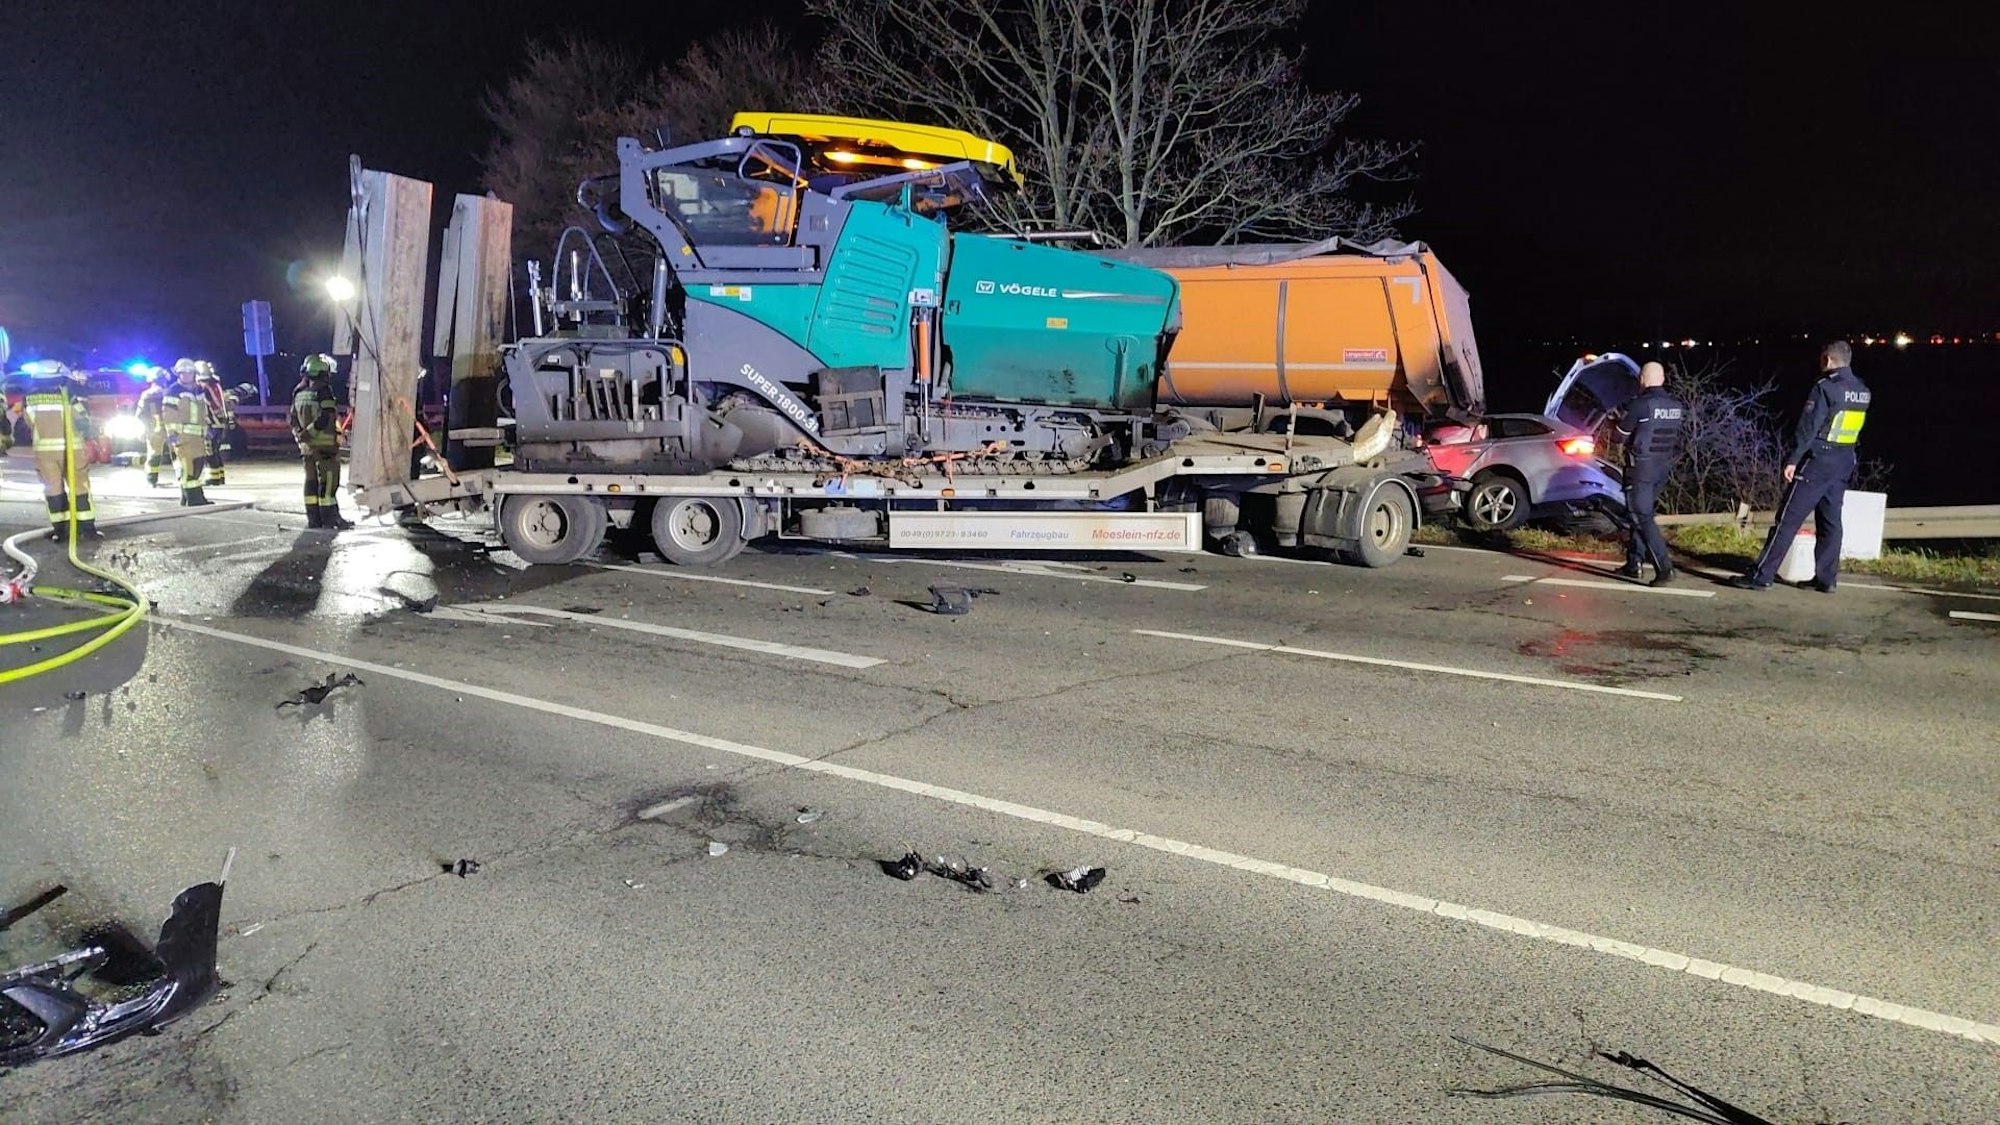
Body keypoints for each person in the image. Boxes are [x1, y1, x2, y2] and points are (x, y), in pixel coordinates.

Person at [1730, 340, 1871, 592]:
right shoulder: (1863, 390)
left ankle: (1762, 575)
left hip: (1818, 461)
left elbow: (1808, 428)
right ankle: (1826, 579)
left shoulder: (1825, 387)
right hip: (1844, 460)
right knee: (1830, 521)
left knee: (1787, 519)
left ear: (1827, 360)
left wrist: (1794, 459)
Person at [1611, 361, 1685, 586]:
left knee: (1641, 518)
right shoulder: (1676, 406)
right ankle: (1633, 564)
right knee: (1641, 515)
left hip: (1641, 470)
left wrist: (1615, 423)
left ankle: (1664, 568)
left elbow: (1619, 437)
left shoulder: (1640, 405)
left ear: (1642, 379)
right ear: (1662, 379)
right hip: (1661, 469)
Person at [19, 362, 100, 538]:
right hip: (72, 449)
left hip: (44, 452)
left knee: (53, 490)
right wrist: (93, 434)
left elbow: (28, 422)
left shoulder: (28, 398)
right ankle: (86, 530)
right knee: (79, 487)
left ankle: (61, 532)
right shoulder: (67, 395)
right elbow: (82, 419)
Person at [291, 353, 352, 530]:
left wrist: (300, 435)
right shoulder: (324, 391)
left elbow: (292, 419)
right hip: (325, 448)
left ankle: (314, 520)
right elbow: (326, 417)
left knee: (311, 483)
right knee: (329, 484)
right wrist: (309, 433)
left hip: (307, 449)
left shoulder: (298, 392)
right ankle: (330, 520)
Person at [162, 358, 213, 507]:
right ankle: (194, 498)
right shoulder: (173, 391)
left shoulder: (199, 390)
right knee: (189, 467)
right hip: (182, 437)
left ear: (194, 373)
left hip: (198, 437)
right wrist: (172, 434)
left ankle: (187, 497)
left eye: (189, 372)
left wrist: (208, 428)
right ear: (178, 374)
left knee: (198, 465)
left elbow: (204, 411)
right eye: (183, 373)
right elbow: (168, 415)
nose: (186, 375)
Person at [195, 360, 237, 487]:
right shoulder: (215, 385)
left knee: (209, 451)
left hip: (210, 423)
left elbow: (202, 406)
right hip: (219, 422)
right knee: (215, 450)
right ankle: (219, 476)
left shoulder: (203, 388)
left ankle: (212, 478)